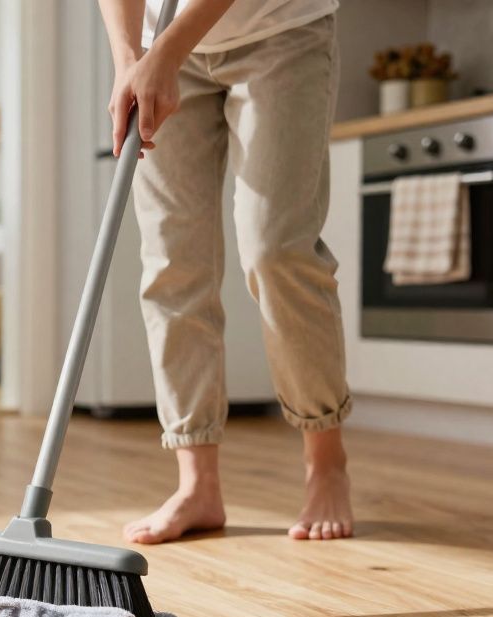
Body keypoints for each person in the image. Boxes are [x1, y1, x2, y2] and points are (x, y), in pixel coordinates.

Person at [96, 0, 353, 543]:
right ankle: (197, 485)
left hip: (282, 27)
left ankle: (325, 460)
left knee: (275, 249)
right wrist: (129, 58)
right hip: (157, 43)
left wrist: (164, 52)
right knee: (171, 260)